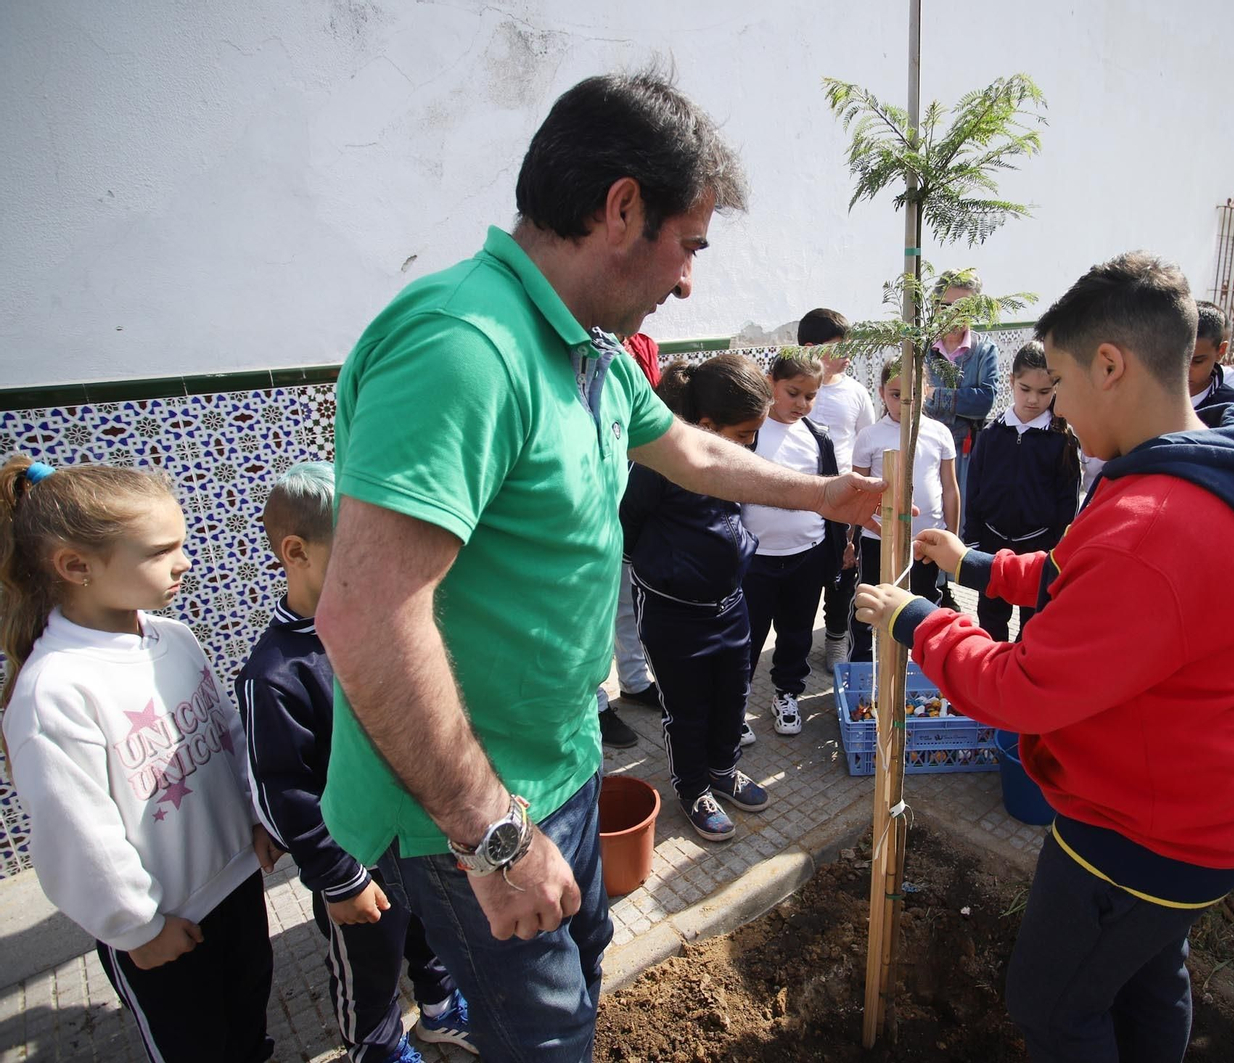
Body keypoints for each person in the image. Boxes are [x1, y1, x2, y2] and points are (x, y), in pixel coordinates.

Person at [316, 70, 887, 1063]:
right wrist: (493, 837)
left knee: (579, 976)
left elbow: (687, 450)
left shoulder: (594, 350)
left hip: (560, 764)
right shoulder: (464, 344)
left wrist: (823, 496)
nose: (689, 282)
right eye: (690, 245)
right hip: (463, 807)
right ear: (622, 207)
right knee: (540, 1039)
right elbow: (366, 620)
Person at [855, 252, 1234, 1063]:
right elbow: (1068, 575)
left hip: (1143, 827)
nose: (1061, 407)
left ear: (1109, 365)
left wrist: (916, 620)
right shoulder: (1179, 471)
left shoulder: (1155, 522)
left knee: (1051, 1009)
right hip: (1202, 805)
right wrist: (973, 565)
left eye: (1064, 383)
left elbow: (1023, 688)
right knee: (1148, 976)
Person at [0, 457, 282, 1063]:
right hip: (164, 928)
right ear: (77, 567)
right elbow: (78, 836)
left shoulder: (174, 639)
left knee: (248, 1025)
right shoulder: (56, 691)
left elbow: (226, 732)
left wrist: (256, 818)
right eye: (160, 551)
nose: (184, 562)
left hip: (235, 886)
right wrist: (137, 928)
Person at [237, 462, 475, 1063]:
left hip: (419, 836)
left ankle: (441, 1008)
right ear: (296, 552)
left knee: (431, 931)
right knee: (366, 959)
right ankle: (373, 1044)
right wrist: (338, 879)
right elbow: (283, 790)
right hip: (356, 861)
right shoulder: (276, 676)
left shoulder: (386, 628)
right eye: (359, 551)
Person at [621, 356, 772, 841]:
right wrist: (668, 569)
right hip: (674, 614)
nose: (751, 445)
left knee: (733, 696)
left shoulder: (734, 454)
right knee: (687, 710)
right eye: (745, 433)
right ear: (707, 426)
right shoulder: (657, 464)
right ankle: (692, 790)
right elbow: (629, 524)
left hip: (731, 604)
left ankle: (723, 771)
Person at [742, 350, 848, 736]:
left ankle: (787, 693)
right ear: (772, 383)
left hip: (807, 556)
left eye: (811, 396)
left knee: (798, 632)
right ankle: (735, 703)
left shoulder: (818, 438)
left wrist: (843, 545)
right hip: (755, 560)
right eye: (793, 393)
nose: (802, 404)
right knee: (747, 637)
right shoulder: (748, 433)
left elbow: (832, 496)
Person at [962, 340, 1080, 642]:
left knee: (1035, 624)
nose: (1033, 400)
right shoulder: (990, 435)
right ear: (1011, 381)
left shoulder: (1062, 440)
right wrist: (973, 540)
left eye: (1044, 392)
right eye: (1025, 389)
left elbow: (1068, 503)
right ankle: (990, 680)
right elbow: (973, 489)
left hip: (1039, 550)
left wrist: (1058, 549)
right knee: (990, 619)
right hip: (991, 544)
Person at [849, 359, 960, 661]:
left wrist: (953, 536)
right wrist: (850, 539)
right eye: (896, 394)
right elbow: (856, 493)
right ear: (882, 392)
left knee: (924, 601)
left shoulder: (939, 433)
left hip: (925, 540)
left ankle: (925, 666)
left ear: (927, 392)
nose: (904, 403)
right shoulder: (870, 436)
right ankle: (862, 663)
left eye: (913, 394)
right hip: (878, 539)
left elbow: (949, 487)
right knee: (871, 602)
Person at [599, 330, 665, 751]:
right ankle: (595, 703)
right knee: (590, 621)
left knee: (625, 608)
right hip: (586, 529)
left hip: (624, 520)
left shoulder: (636, 350)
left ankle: (636, 681)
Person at [801, 308, 875, 669]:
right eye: (839, 347)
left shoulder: (856, 393)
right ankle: (796, 639)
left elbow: (867, 441)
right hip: (800, 495)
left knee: (845, 569)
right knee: (804, 570)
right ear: (812, 349)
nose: (848, 355)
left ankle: (834, 637)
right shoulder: (797, 390)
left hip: (846, 498)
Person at [923, 269, 1001, 499]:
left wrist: (935, 395)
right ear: (936, 307)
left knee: (963, 519)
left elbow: (984, 403)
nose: (953, 314)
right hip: (925, 449)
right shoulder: (920, 349)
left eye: (963, 307)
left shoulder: (985, 349)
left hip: (967, 452)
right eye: (946, 306)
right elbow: (911, 396)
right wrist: (962, 398)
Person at [1189, 301, 1234, 413]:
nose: (1186, 370)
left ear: (1221, 351)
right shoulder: (1150, 395)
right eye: (1179, 360)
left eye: (1197, 361)